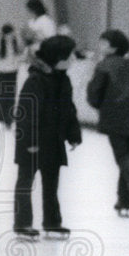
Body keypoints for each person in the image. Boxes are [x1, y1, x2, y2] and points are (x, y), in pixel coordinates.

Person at [13, 35, 82, 239]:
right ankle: (22, 223)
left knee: (52, 184)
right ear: (57, 57)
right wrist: (30, 143)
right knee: (25, 182)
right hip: (32, 143)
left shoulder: (64, 79)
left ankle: (52, 222)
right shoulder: (35, 80)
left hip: (53, 142)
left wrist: (73, 134)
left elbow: (68, 109)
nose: (72, 59)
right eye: (69, 55)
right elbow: (25, 114)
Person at [86, 29, 129, 218]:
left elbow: (94, 94)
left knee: (122, 159)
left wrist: (101, 106)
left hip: (114, 118)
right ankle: (123, 202)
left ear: (113, 47)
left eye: (103, 42)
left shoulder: (104, 65)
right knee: (126, 158)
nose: (100, 46)